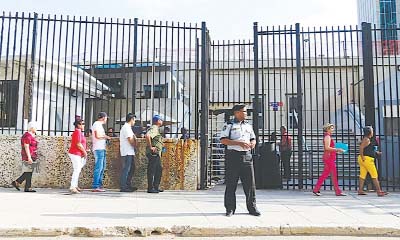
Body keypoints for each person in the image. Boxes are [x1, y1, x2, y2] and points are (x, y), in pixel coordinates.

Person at [220, 104, 260, 217]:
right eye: (244, 111)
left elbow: (253, 138)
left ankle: (252, 207)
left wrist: (253, 144)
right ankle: (230, 208)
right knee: (231, 183)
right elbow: (223, 140)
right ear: (237, 112)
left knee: (250, 184)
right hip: (233, 156)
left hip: (247, 156)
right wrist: (239, 143)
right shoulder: (229, 125)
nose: (246, 114)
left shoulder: (248, 126)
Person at [313, 123, 346, 197]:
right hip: (329, 157)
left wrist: (336, 150)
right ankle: (337, 191)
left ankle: (316, 189)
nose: (333, 130)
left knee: (325, 174)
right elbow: (327, 148)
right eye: (331, 128)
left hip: (329, 157)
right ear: (327, 129)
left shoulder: (328, 136)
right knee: (333, 174)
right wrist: (338, 149)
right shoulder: (327, 137)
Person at [357, 126, 388, 197]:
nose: (373, 132)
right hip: (367, 160)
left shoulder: (366, 139)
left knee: (362, 175)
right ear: (369, 132)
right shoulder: (366, 139)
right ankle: (379, 191)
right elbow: (361, 148)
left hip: (364, 159)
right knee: (374, 175)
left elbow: (368, 149)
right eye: (372, 130)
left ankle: (360, 190)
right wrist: (362, 157)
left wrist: (376, 152)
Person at [11, 121, 39, 192]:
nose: (36, 128)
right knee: (29, 171)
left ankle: (19, 183)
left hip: (32, 155)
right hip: (28, 155)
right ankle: (25, 186)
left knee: (29, 171)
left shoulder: (30, 135)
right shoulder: (27, 136)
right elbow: (26, 146)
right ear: (32, 128)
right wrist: (29, 157)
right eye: (35, 127)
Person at [91, 112, 111, 192]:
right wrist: (106, 137)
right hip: (98, 148)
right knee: (99, 168)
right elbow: (97, 136)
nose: (106, 120)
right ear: (103, 118)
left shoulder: (99, 125)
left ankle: (99, 185)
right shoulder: (96, 124)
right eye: (106, 118)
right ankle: (96, 186)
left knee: (102, 167)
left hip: (101, 148)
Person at [68, 117, 88, 194]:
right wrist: (84, 152)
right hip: (75, 153)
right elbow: (78, 144)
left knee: (78, 169)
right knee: (77, 170)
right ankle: (72, 186)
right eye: (82, 124)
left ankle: (75, 185)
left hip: (77, 153)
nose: (83, 125)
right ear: (78, 125)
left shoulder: (78, 132)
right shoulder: (78, 132)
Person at [119, 113, 138, 192]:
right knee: (126, 169)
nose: (135, 122)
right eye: (134, 120)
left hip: (129, 151)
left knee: (131, 168)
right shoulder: (126, 127)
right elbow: (130, 139)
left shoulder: (128, 127)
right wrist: (135, 145)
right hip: (127, 151)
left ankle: (128, 184)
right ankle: (124, 187)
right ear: (131, 119)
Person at [145, 115, 164, 193]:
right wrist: (151, 147)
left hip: (156, 153)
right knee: (152, 170)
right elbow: (147, 136)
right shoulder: (154, 128)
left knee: (158, 170)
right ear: (157, 121)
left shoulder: (156, 128)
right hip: (153, 153)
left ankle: (155, 186)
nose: (162, 121)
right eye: (161, 120)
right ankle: (150, 188)